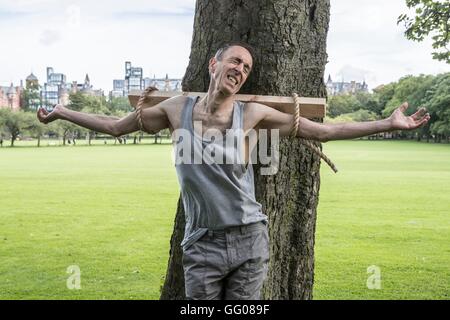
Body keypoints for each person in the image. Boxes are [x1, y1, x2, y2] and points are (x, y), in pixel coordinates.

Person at [37, 41, 430, 300]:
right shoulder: (176, 109)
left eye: (246, 67)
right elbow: (114, 126)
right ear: (214, 64)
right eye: (235, 61)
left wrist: (386, 124)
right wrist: (60, 112)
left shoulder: (253, 114)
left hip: (248, 240)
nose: (241, 69)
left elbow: (324, 130)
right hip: (201, 243)